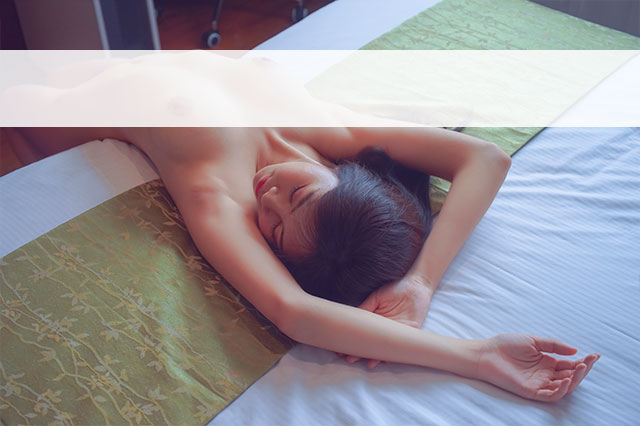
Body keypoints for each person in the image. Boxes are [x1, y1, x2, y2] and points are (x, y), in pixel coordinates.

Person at [9, 51, 599, 402]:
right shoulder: (333, 131)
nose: (267, 198)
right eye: (300, 194)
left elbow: (293, 310)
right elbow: (487, 158)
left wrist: (475, 354)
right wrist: (420, 281)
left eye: (272, 230)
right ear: (347, 174)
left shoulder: (214, 181)